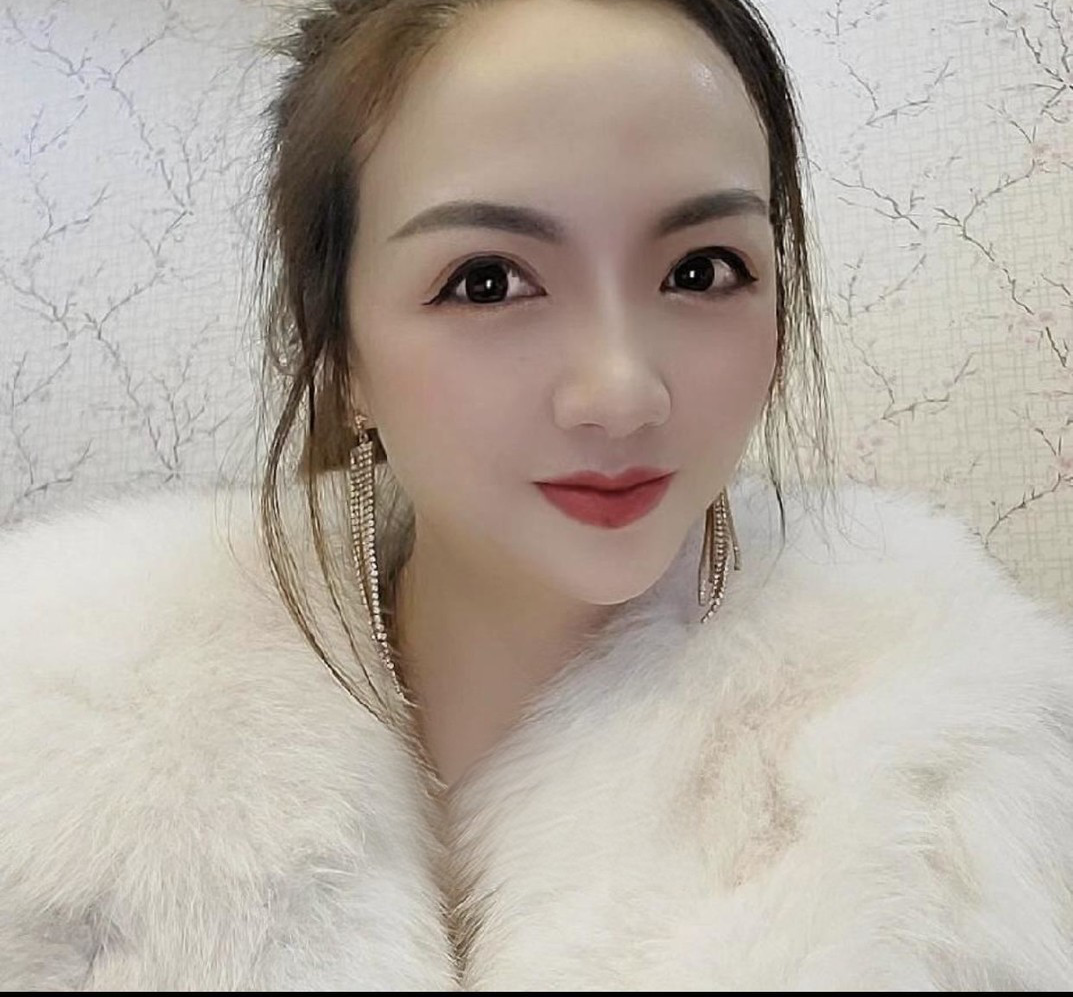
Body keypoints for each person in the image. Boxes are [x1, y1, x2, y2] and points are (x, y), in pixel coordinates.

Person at [1, 0, 1071, 989]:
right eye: (488, 281)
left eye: (701, 269)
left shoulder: (946, 792)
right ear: (340, 353)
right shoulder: (57, 758)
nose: (622, 392)